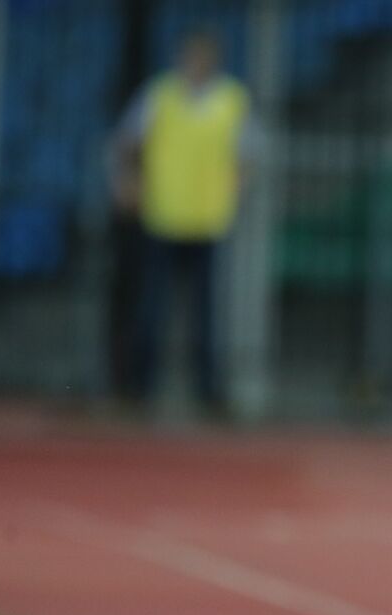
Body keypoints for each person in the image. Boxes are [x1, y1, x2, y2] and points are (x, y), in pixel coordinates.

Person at [110, 29, 258, 413]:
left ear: (214, 62)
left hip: (208, 221)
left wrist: (236, 187)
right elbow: (127, 141)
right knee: (150, 309)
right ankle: (138, 390)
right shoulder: (159, 96)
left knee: (206, 317)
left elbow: (247, 155)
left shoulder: (232, 100)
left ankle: (207, 393)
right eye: (191, 57)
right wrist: (128, 181)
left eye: (202, 58)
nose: (196, 65)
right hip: (162, 216)